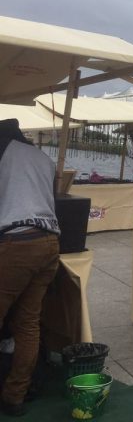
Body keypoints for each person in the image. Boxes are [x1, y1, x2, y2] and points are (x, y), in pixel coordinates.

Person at [0, 119, 61, 417]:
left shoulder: (3, 150)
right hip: (49, 243)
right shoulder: (43, 158)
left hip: (17, 242)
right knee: (27, 325)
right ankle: (14, 397)